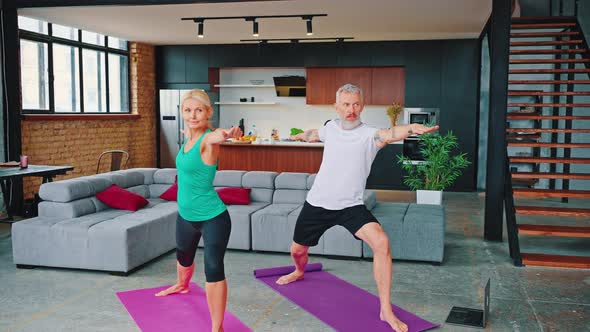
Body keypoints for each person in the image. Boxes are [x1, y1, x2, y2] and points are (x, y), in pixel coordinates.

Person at [284, 84, 438, 332]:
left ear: (362, 106)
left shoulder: (370, 135)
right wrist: (301, 134)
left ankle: (385, 309)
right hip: (318, 203)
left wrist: (411, 128)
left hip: (350, 206)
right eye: (346, 104)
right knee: (297, 250)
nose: (351, 109)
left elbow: (390, 133)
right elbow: (315, 134)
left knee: (382, 243)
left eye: (356, 104)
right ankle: (299, 270)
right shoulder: (329, 129)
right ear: (337, 107)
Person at [155, 89, 242, 332]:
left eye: (199, 110)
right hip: (185, 215)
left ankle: (217, 327)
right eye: (188, 110)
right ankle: (182, 285)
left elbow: (216, 136)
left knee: (213, 267)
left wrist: (227, 133)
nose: (193, 115)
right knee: (183, 257)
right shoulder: (189, 138)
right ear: (182, 113)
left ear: (209, 112)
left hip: (213, 217)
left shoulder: (206, 139)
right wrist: (190, 133)